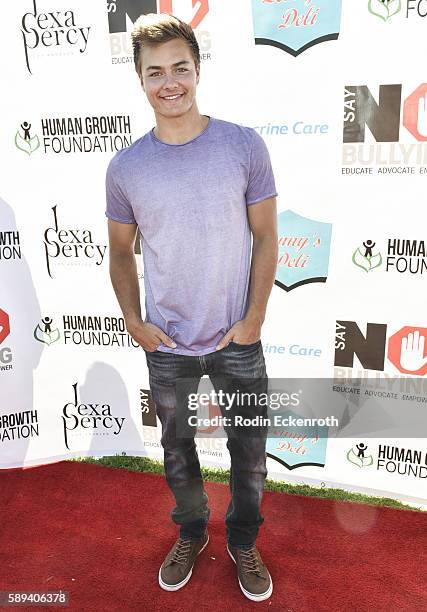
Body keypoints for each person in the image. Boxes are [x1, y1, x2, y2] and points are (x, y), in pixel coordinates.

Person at [105, 12, 278, 603]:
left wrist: (253, 319)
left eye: (180, 67)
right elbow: (121, 253)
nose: (169, 81)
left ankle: (244, 541)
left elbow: (267, 237)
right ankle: (192, 533)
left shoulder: (242, 145)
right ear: (140, 80)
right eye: (155, 72)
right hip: (170, 345)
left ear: (198, 69)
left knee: (250, 455)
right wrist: (134, 321)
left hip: (238, 338)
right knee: (177, 451)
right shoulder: (126, 167)